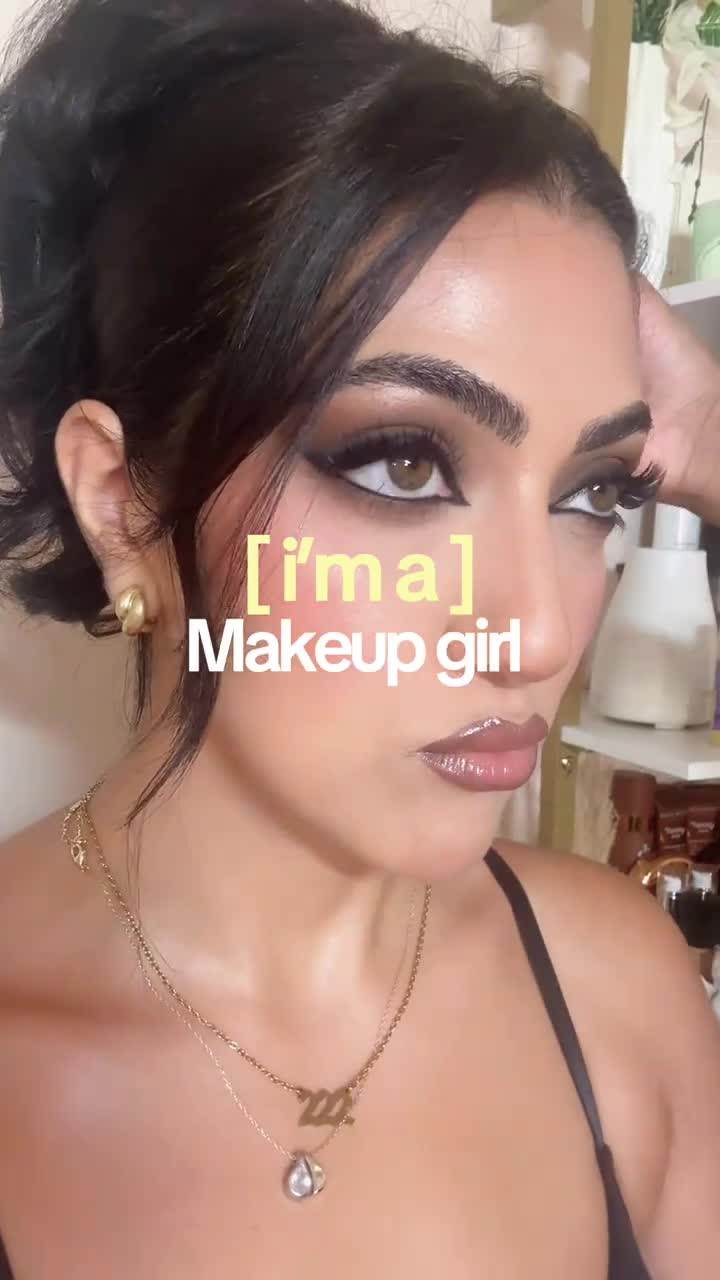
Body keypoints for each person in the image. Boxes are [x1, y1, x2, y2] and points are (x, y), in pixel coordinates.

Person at [0, 0, 718, 1275]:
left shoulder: (622, 990)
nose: (538, 632)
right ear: (120, 500)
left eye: (592, 490)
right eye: (402, 463)